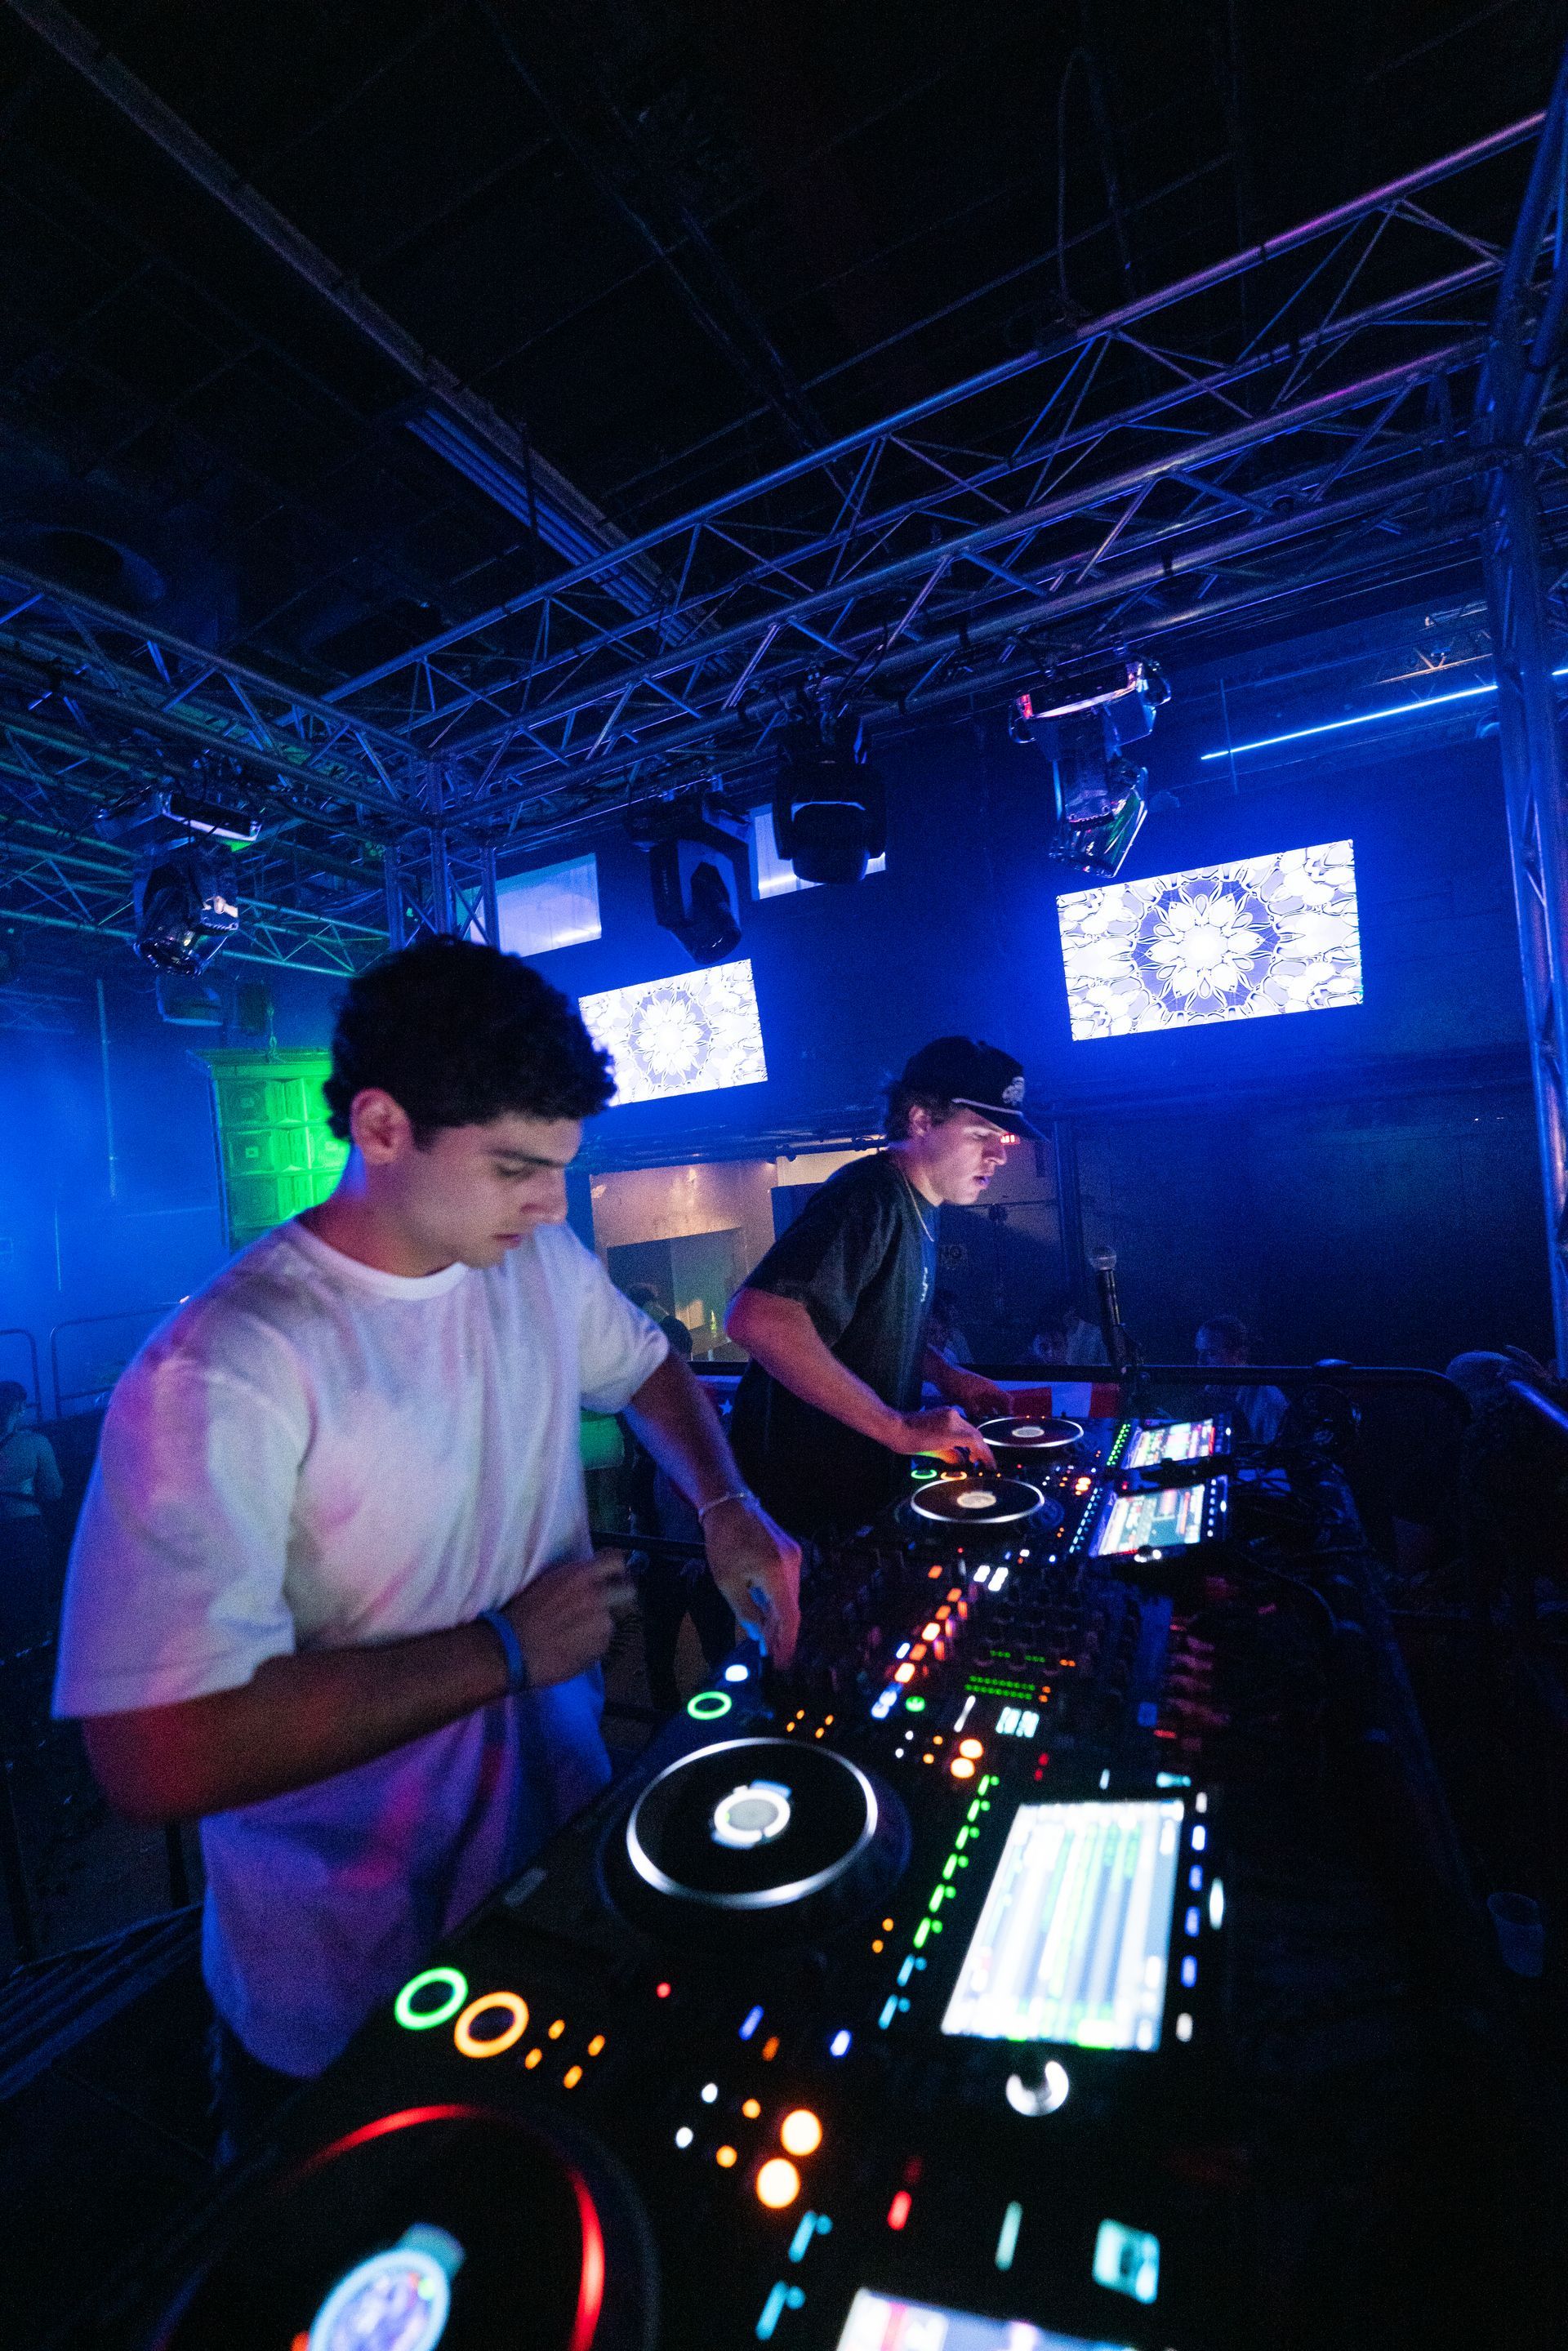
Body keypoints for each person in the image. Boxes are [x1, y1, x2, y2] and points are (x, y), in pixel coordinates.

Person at [52, 938, 799, 2144]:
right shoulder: (226, 1364)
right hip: (343, 1986)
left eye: (560, 1168)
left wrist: (726, 1504)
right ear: (383, 1126)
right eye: (516, 1166)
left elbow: (648, 1367)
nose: (551, 1203)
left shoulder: (538, 1263)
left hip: (557, 1874)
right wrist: (504, 1650)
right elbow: (151, 1752)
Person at [725, 1037, 1035, 1539]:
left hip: (854, 1493)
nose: (999, 1155)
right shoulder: (869, 1197)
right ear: (920, 1120)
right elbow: (758, 1319)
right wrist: (900, 1428)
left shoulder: (919, 1206)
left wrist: (944, 1373)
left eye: (1002, 1137)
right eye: (982, 1134)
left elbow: (867, 1328)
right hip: (799, 1507)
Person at [0, 1382, 62, 1652]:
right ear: (19, 1408)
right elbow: (53, 1492)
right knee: (33, 1593)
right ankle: (38, 1648)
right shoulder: (35, 1444)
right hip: (26, 1531)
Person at [1195, 1315, 1289, 1443]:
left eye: (1211, 1353)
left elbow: (1277, 1451)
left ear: (1239, 1354)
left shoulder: (1268, 1400)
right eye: (1199, 1352)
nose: (1200, 1361)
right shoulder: (1211, 1390)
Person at [1029, 1296, 1108, 1367]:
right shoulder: (1052, 1334)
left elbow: (1106, 1364)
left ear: (1072, 1310)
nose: (1051, 1354)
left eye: (1060, 1313)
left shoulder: (1096, 1334)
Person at [926, 1288, 973, 1369]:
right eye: (932, 1332)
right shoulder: (912, 1358)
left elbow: (969, 1369)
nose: (939, 1338)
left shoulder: (950, 1353)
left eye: (943, 1331)